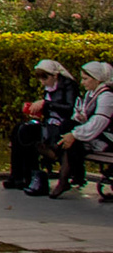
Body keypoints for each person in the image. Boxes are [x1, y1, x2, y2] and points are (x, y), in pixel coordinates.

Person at [44, 60, 113, 198]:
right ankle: (67, 174)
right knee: (67, 127)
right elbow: (84, 116)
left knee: (70, 136)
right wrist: (79, 120)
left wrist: (75, 134)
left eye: (86, 79)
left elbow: (99, 122)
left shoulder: (107, 96)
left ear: (97, 79)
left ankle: (64, 172)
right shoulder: (90, 94)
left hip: (108, 140)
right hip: (94, 137)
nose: (82, 82)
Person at [10, 58, 79, 195]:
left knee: (28, 134)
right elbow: (49, 109)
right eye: (40, 78)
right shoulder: (49, 88)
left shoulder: (68, 86)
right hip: (50, 123)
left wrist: (46, 104)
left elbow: (70, 109)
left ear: (55, 75)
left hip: (63, 125)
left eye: (45, 78)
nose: (42, 82)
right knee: (19, 130)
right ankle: (18, 175)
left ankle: (33, 176)